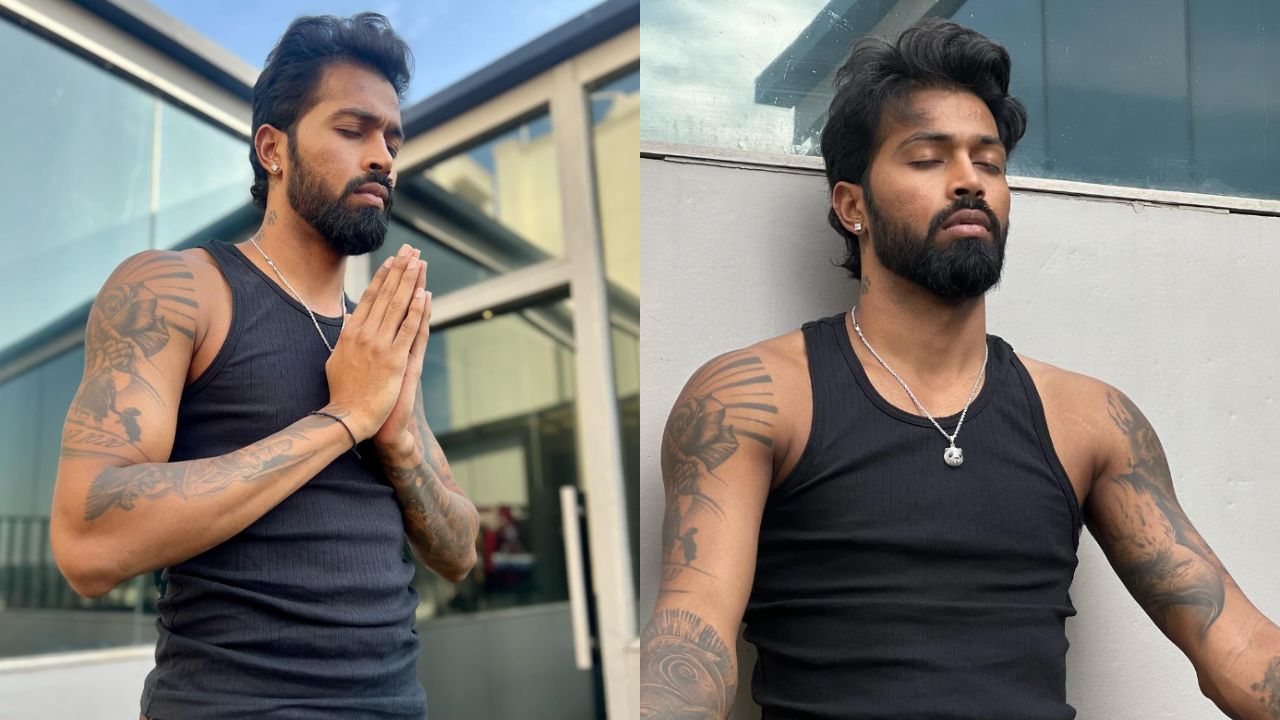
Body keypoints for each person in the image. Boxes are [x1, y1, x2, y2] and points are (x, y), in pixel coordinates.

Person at [640, 19, 1280, 720]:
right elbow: (691, 647)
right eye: (928, 158)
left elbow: (1239, 650)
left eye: (990, 162)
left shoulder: (1089, 418)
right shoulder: (754, 398)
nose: (969, 181)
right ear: (852, 205)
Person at [49, 13, 478, 720]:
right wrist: (343, 419)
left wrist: (397, 440)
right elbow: (87, 543)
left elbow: (458, 552)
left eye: (392, 139)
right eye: (353, 130)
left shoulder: (372, 341)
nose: (383, 157)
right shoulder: (180, 289)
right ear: (273, 150)